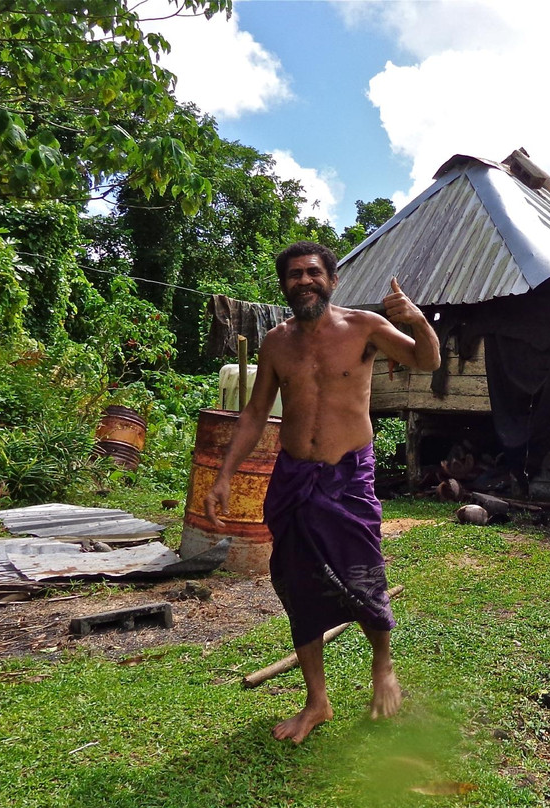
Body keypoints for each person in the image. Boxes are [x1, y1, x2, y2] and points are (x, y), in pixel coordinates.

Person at [205, 241, 440, 744]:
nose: (304, 281)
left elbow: (426, 361)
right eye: (293, 275)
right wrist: (224, 475)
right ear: (284, 285)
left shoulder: (365, 328)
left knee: (364, 575)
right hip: (293, 478)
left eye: (313, 272)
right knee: (297, 584)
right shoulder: (274, 342)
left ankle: (383, 667)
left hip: (347, 478)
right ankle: (318, 700)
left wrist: (417, 319)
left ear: (332, 280)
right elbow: (254, 415)